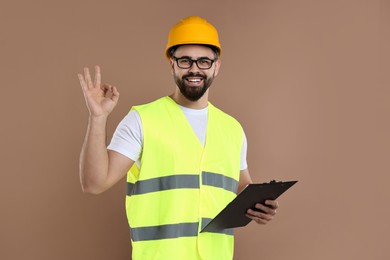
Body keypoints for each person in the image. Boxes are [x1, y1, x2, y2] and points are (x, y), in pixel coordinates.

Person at [78, 16, 279, 260]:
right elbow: (94, 183)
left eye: (204, 61)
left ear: (217, 66)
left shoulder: (232, 129)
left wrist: (260, 206)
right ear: (172, 64)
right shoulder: (142, 119)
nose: (195, 69)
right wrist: (97, 118)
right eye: (185, 60)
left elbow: (242, 187)